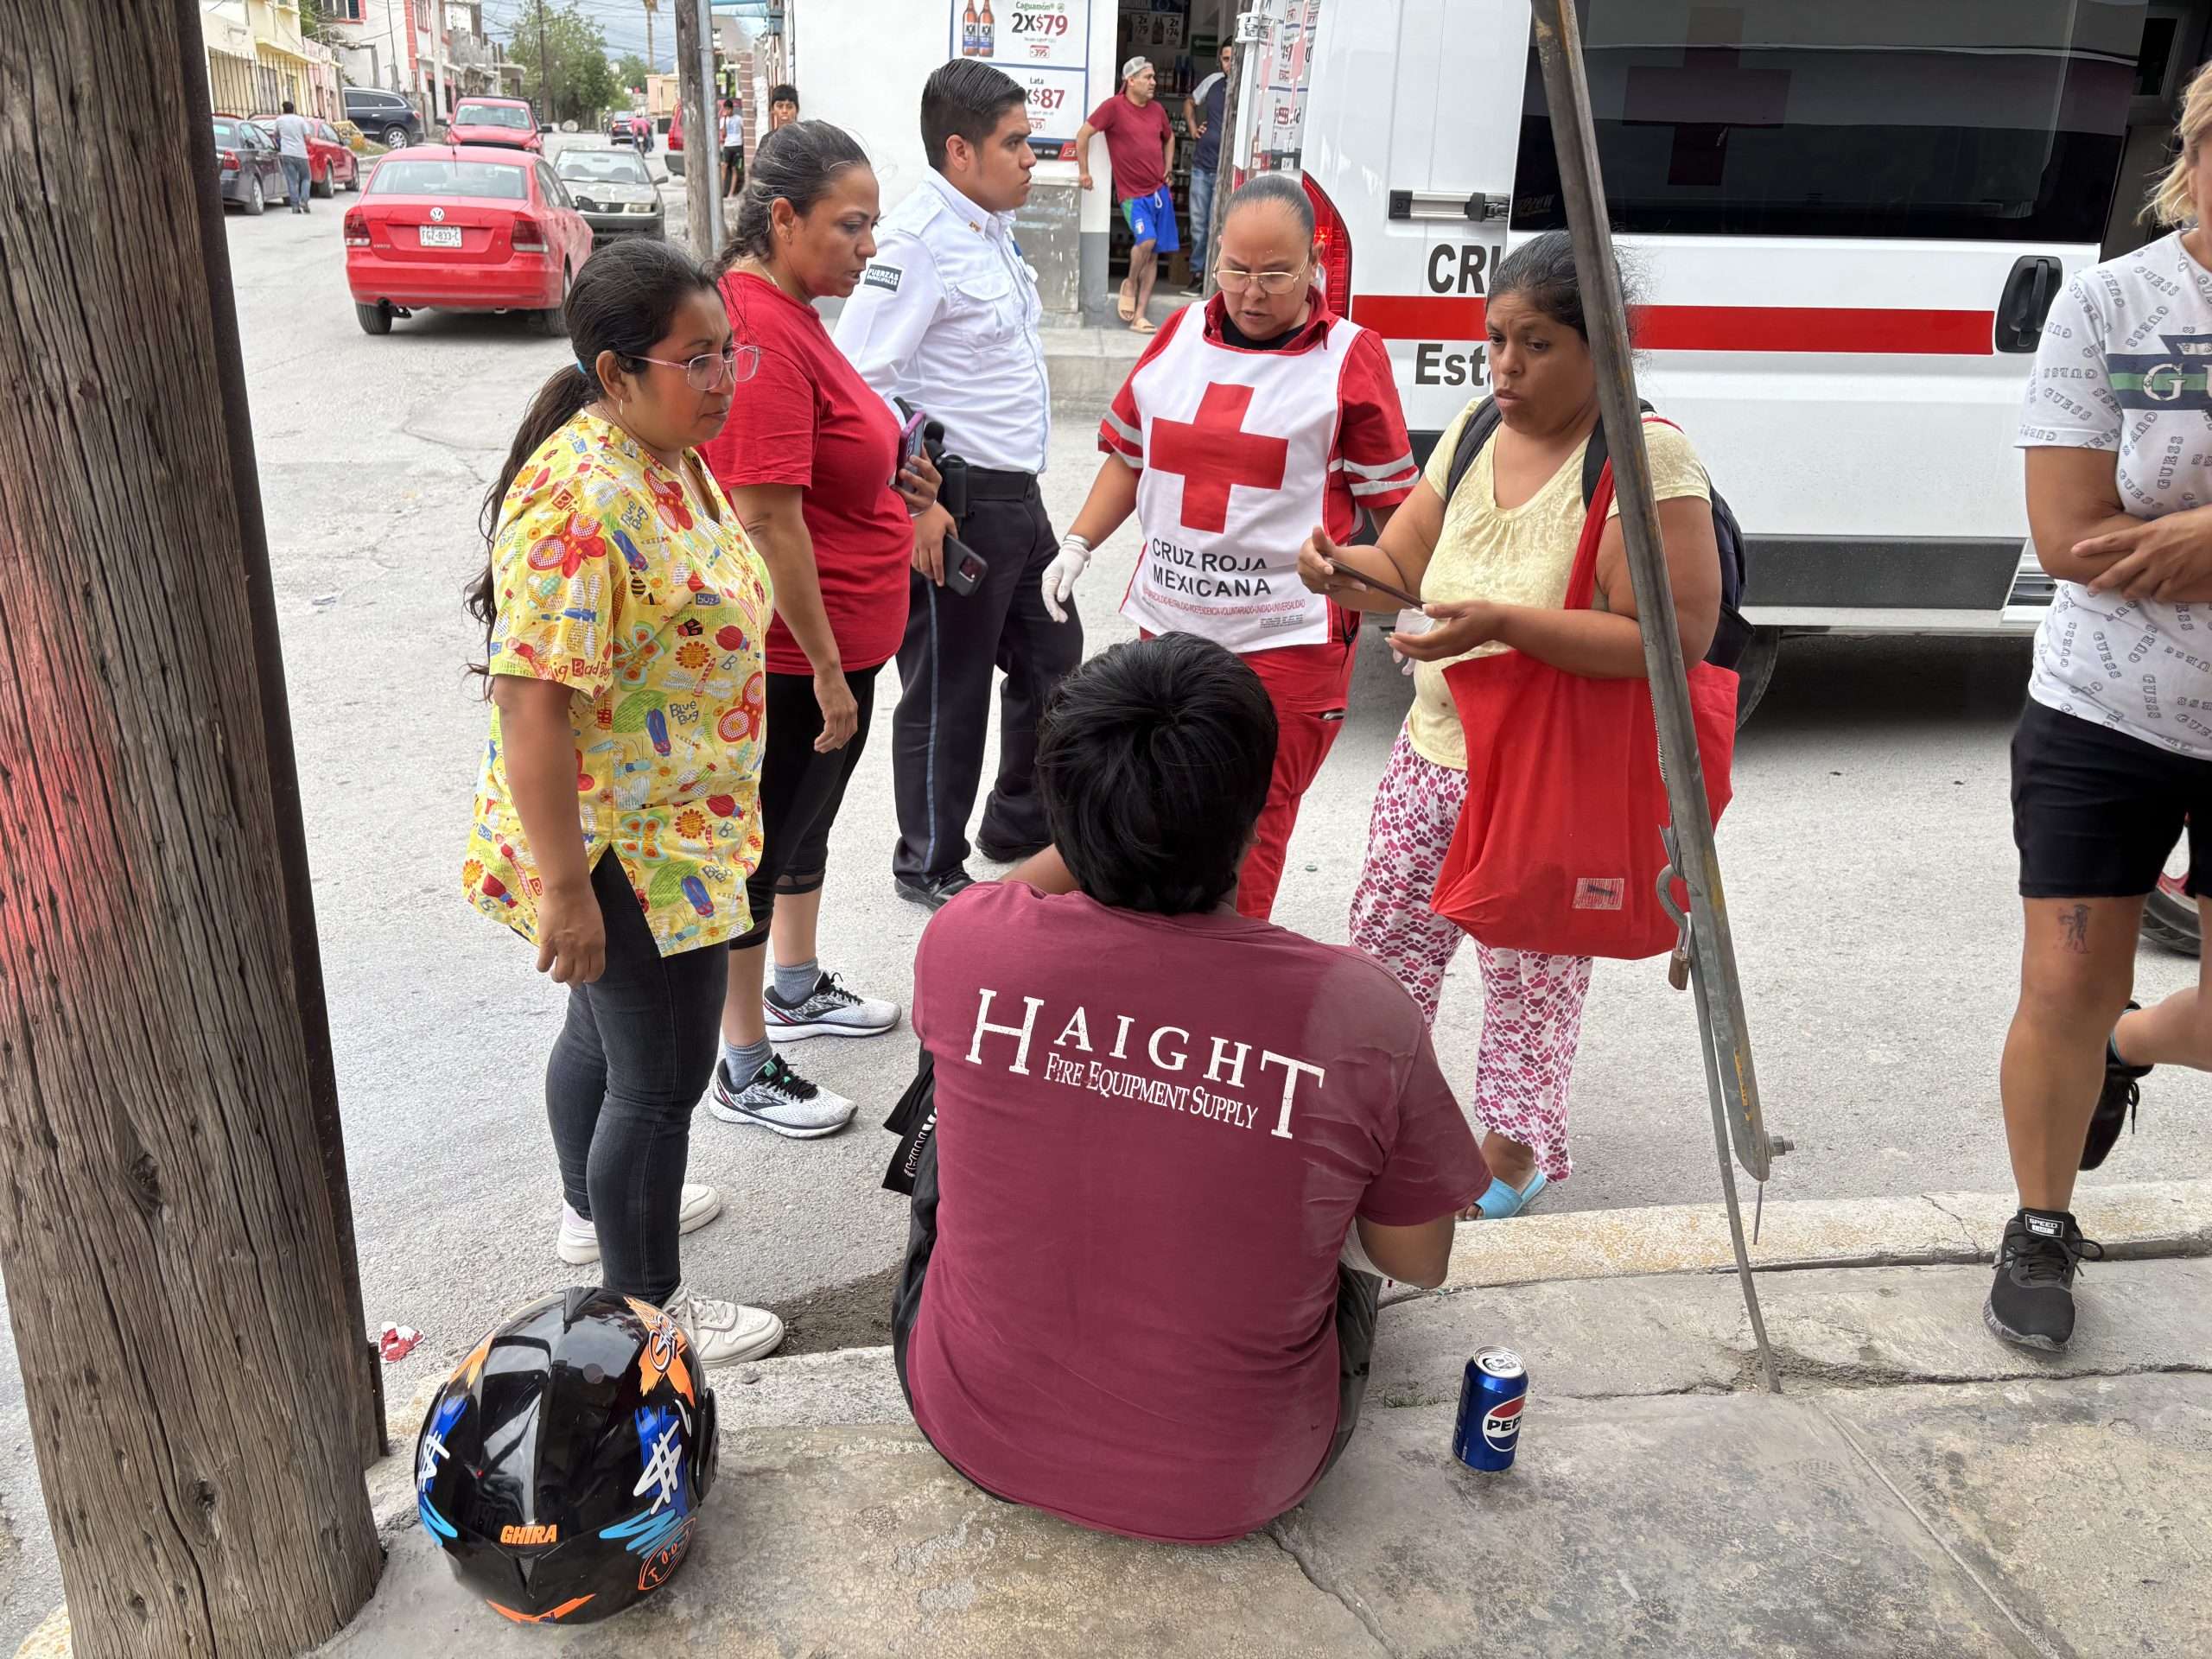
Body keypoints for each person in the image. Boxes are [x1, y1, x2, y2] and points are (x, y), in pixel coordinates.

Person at [892, 634, 1490, 1544]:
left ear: (1060, 804)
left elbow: (1022, 892)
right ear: (1257, 812)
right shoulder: (1359, 1010)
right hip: (1241, 1481)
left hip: (968, 1424)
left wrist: (1104, 815)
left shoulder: (968, 941)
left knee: (955, 1109)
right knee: (1338, 1189)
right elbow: (1418, 1261)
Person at [1305, 230, 1720, 1222]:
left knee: (1530, 973)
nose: (1505, 366)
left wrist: (1505, 625)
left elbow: (1673, 639)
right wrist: (1340, 570)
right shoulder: (1476, 428)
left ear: (1599, 347)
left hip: (1545, 771)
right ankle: (1380, 1129)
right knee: (1385, 952)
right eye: (1495, 339)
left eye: (1535, 344)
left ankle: (1509, 1155)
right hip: (1434, 754)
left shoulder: (1646, 455)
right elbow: (1402, 569)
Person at [460, 237, 784, 1365]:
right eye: (698, 360)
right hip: (625, 847)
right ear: (616, 373)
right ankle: (645, 1317)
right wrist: (567, 891)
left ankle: (589, 1214)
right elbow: (529, 704)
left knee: (600, 1040)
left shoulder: (664, 449)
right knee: (659, 1087)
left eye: (728, 351)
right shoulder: (580, 500)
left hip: (678, 819)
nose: (724, 378)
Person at [1995, 60, 2212, 1351]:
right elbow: (2073, 537)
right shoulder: (2114, 304)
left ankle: (2129, 1048)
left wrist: (2198, 537)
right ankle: (2039, 1225)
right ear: (2193, 154)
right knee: (2067, 979)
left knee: (2135, 1017)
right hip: (2106, 708)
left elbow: (2140, 536)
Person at [1046, 174, 1418, 920]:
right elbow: (1131, 457)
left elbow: (1396, 504)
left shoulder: (1349, 356)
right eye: (1237, 269)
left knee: (1252, 823)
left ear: (1314, 265)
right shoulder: (1179, 335)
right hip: (1171, 631)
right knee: (1156, 807)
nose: (1252, 292)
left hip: (1286, 640)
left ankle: (1231, 969)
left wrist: (1410, 597)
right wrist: (1079, 541)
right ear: (1215, 257)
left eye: (1276, 274)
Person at [699, 122, 939, 1135]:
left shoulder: (795, 311)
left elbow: (826, 461)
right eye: (851, 225)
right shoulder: (754, 330)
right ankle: (743, 1061)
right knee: (759, 851)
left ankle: (794, 986)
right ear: (784, 217)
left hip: (841, 642)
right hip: (796, 657)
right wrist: (830, 670)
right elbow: (764, 518)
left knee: (806, 824)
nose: (868, 246)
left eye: (872, 224)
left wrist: (894, 476)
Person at [836, 60, 1077, 911]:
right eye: (1015, 144)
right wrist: (918, 504)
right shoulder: (915, 241)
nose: (1032, 158)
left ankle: (1017, 822)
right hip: (956, 505)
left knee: (1054, 660)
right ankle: (929, 862)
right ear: (960, 151)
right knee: (950, 692)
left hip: (1019, 501)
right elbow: (862, 384)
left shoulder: (989, 229)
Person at [1077, 59, 1177, 334]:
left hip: (1159, 192)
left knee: (1154, 255)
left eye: (1154, 77)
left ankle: (1139, 316)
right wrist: (1084, 172)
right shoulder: (1114, 107)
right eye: (1148, 77)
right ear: (1131, 81)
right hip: (1132, 195)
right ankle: (1130, 282)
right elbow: (1083, 135)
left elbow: (1169, 138)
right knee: (1147, 241)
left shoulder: (1157, 110)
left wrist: (1168, 167)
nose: (1154, 82)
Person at [1181, 41, 1234, 294]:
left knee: (1221, 226)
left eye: (1233, 59)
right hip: (1203, 166)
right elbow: (1190, 102)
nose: (1229, 64)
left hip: (1229, 172)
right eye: (1225, 59)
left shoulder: (1248, 85)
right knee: (1199, 225)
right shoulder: (1213, 81)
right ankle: (1198, 274)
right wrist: (1193, 129)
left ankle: (1218, 278)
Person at [273, 99, 314, 215]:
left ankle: (295, 207)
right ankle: (304, 200)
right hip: (301, 153)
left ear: (283, 110)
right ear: (293, 109)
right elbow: (308, 138)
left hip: (287, 153)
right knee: (306, 178)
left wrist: (281, 141)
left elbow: (275, 135)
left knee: (292, 181)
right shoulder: (300, 120)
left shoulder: (279, 120)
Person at [720, 96, 746, 199]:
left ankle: (731, 192)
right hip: (728, 146)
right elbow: (723, 135)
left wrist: (742, 141)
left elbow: (744, 130)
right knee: (724, 166)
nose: (727, 111)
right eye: (725, 109)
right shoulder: (723, 120)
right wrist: (725, 119)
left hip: (737, 145)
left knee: (735, 169)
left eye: (729, 109)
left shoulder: (739, 119)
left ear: (732, 109)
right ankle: (722, 191)